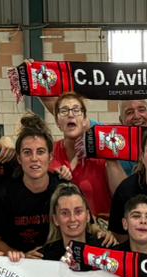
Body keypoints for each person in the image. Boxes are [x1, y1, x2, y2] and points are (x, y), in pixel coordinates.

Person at [0, 116, 65, 255]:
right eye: (27, 152)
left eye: (40, 152)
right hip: (17, 266)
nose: (34, 159)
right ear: (19, 158)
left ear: (50, 157)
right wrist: (21, 257)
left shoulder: (63, 190)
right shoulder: (2, 195)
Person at [49, 91, 120, 220]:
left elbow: (121, 195)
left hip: (103, 233)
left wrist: (111, 160)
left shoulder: (101, 153)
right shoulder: (49, 152)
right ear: (58, 122)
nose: (70, 114)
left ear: (85, 120)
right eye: (64, 111)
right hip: (66, 229)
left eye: (76, 110)